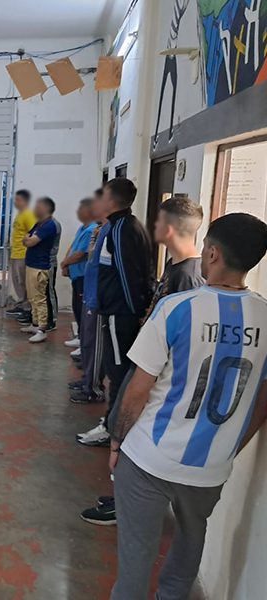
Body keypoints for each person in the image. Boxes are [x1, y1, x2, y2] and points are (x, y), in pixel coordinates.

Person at [108, 213, 267, 600]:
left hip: (149, 459)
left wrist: (116, 442)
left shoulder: (176, 308)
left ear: (212, 254)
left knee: (136, 558)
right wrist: (230, 446)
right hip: (210, 468)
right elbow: (262, 400)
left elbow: (137, 391)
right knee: (190, 546)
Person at [79, 196, 205, 526]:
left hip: (155, 379)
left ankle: (125, 506)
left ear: (170, 228)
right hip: (145, 363)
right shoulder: (175, 268)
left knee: (129, 423)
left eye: (159, 221)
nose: (153, 227)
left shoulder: (188, 278)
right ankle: (122, 497)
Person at [77, 179, 154, 446]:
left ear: (111, 200)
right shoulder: (119, 226)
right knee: (116, 370)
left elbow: (128, 274)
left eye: (102, 196)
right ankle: (112, 422)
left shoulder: (121, 229)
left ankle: (113, 429)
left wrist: (137, 312)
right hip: (117, 312)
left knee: (118, 372)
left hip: (120, 314)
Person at [68, 190, 108, 406]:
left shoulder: (109, 231)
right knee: (87, 337)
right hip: (90, 291)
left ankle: (93, 389)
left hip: (97, 296)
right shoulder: (99, 230)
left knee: (95, 343)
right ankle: (87, 380)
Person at [21, 197, 59, 343]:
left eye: (38, 206)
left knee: (39, 298)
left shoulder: (50, 225)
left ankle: (42, 329)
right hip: (31, 263)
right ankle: (35, 324)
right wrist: (28, 240)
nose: (35, 209)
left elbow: (30, 241)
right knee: (32, 297)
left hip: (41, 266)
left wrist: (29, 240)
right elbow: (25, 239)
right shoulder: (39, 224)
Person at [60, 198, 97, 348]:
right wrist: (65, 264)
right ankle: (80, 336)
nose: (78, 212)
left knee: (82, 309)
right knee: (76, 306)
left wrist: (65, 263)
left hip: (83, 276)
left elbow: (80, 254)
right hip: (76, 275)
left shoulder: (91, 230)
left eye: (81, 210)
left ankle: (84, 341)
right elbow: (72, 247)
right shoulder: (82, 228)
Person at [6, 190, 36, 321]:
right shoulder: (20, 214)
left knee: (24, 282)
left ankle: (28, 310)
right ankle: (22, 304)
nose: (15, 202)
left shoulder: (29, 215)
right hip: (16, 253)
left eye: (18, 200)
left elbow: (33, 234)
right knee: (18, 282)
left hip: (23, 254)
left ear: (25, 201)